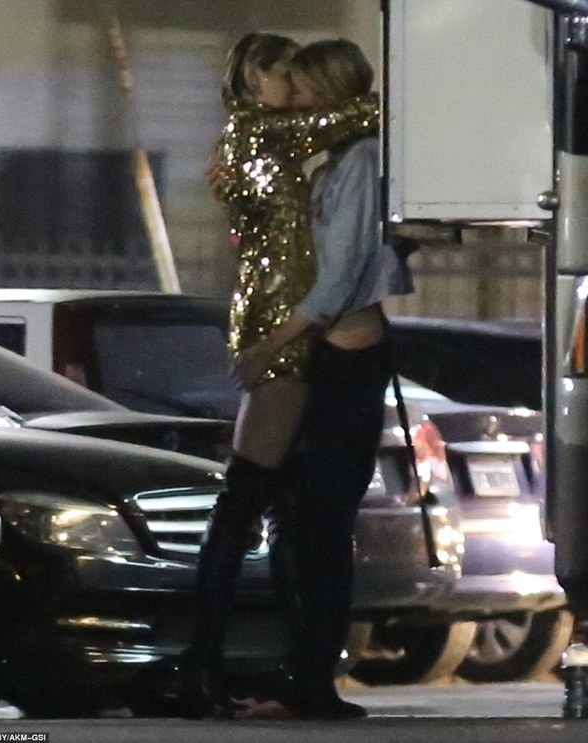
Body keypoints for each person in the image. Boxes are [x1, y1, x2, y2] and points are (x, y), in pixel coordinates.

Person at [174, 32, 381, 719]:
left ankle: (250, 667)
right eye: (286, 77)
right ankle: (204, 666)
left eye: (303, 80)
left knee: (278, 505)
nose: (296, 93)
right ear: (253, 78)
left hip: (289, 327)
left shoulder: (265, 141)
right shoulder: (264, 135)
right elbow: (359, 112)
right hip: (282, 332)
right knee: (248, 499)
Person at [234, 39, 414, 720]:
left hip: (349, 359)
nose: (299, 99)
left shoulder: (359, 162)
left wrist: (270, 344)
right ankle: (301, 677)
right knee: (307, 524)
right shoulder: (336, 161)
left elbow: (337, 281)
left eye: (307, 87)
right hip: (333, 355)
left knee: (324, 523)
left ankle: (314, 681)